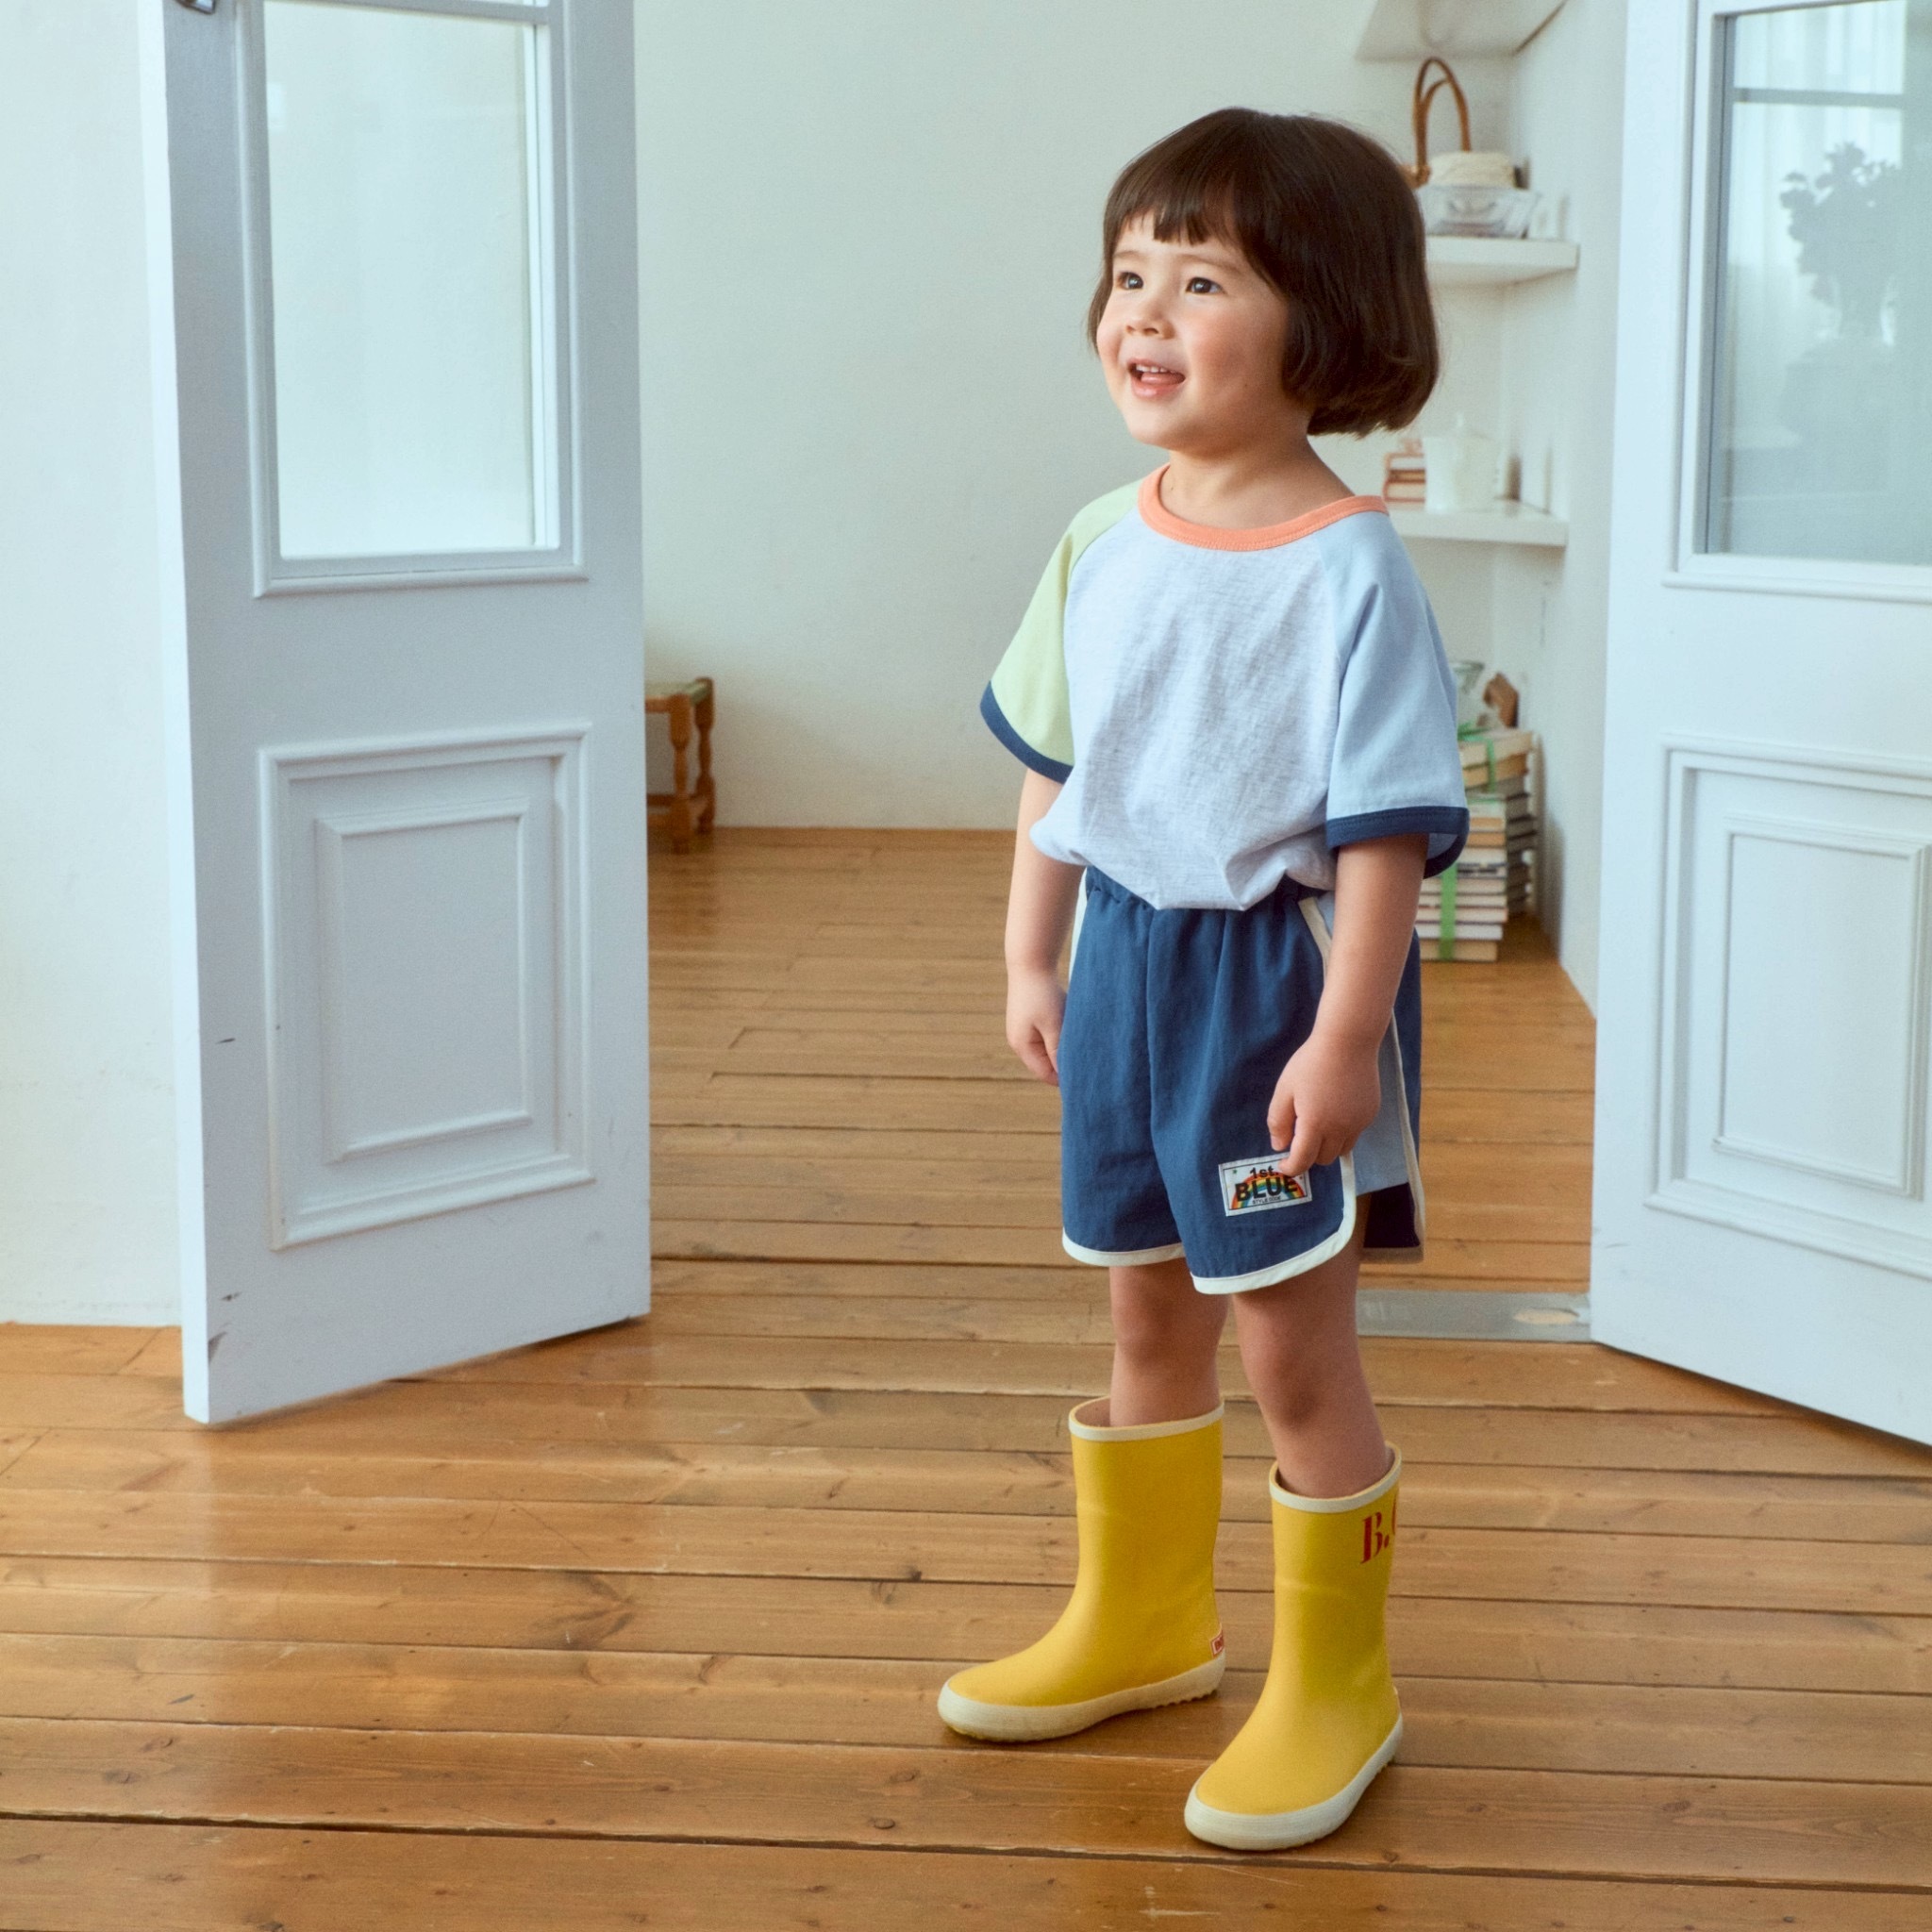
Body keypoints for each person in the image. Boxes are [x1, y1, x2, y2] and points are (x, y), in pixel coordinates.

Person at [935, 108, 1468, 1853]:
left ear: (1325, 318)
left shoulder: (1352, 568)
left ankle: (1339, 1686)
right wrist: (1032, 950)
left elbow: (1383, 843)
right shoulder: (1102, 535)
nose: (1144, 313)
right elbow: (1055, 767)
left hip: (1270, 995)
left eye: (1204, 281)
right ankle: (1148, 1622)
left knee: (1292, 1348)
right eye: (1128, 275)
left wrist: (1344, 1040)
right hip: (1124, 967)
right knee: (1142, 1309)